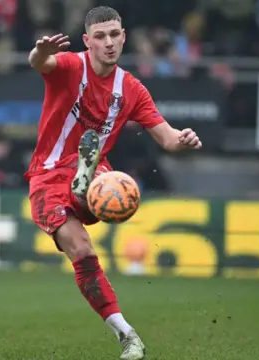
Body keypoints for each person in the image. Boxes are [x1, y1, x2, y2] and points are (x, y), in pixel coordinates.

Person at [25, 6, 202, 360]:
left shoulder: (132, 88)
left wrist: (183, 141)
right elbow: (40, 63)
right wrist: (42, 51)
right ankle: (127, 335)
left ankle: (85, 182)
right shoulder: (72, 66)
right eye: (101, 37)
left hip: (96, 173)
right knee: (83, 251)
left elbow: (167, 140)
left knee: (119, 198)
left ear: (123, 36)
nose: (109, 43)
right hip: (47, 174)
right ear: (87, 41)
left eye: (114, 35)